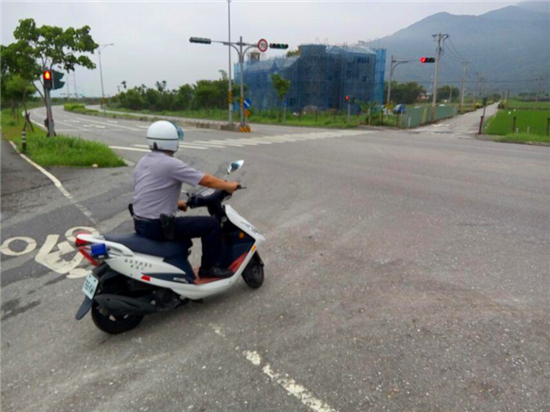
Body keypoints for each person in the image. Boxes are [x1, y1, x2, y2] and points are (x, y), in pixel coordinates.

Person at [132, 120, 239, 278]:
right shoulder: (171, 164)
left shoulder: (144, 161)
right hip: (158, 226)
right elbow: (206, 180)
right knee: (212, 225)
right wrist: (228, 185)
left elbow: (151, 191)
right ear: (171, 140)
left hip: (141, 223)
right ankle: (208, 268)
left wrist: (176, 204)